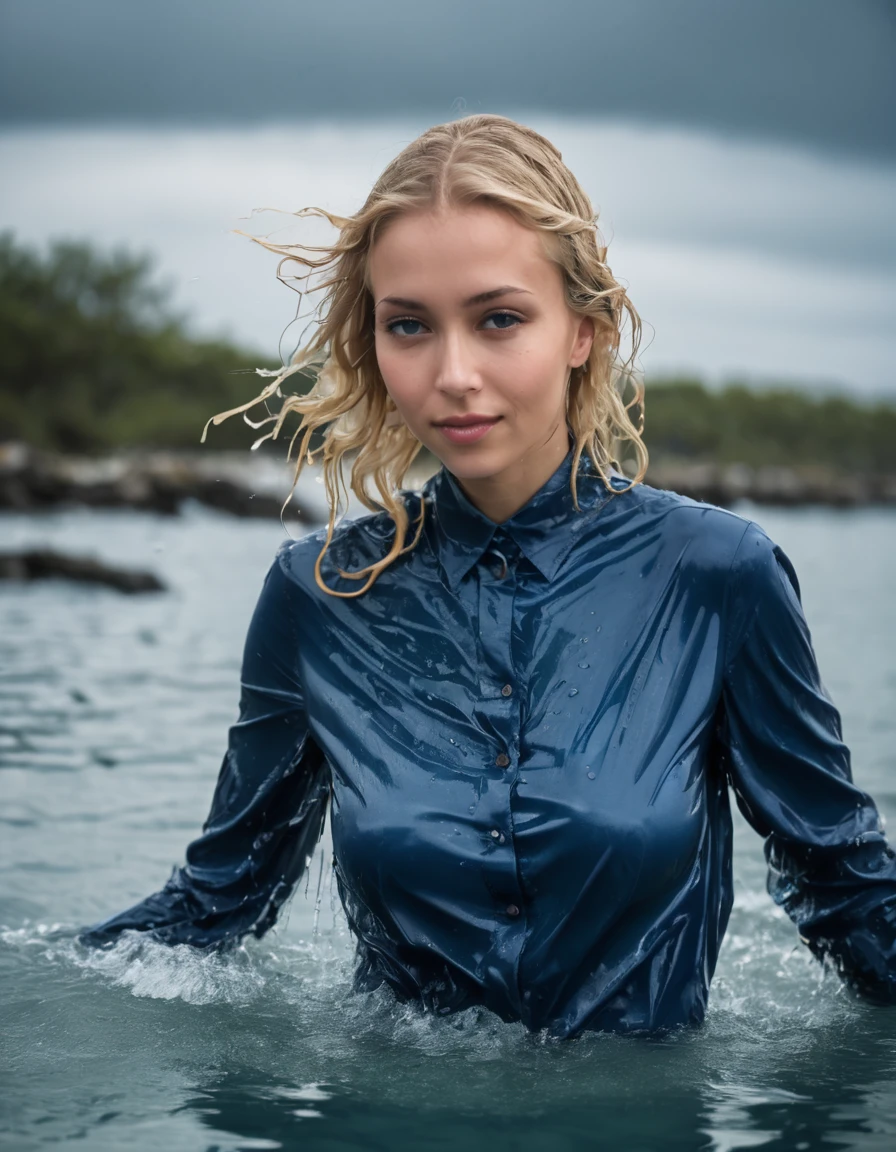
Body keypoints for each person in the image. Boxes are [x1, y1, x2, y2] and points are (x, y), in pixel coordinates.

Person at [80, 114, 896, 1038]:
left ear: (583, 332)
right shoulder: (319, 596)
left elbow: (846, 890)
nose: (453, 373)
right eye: (409, 326)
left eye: (499, 318)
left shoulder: (716, 577)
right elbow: (215, 905)